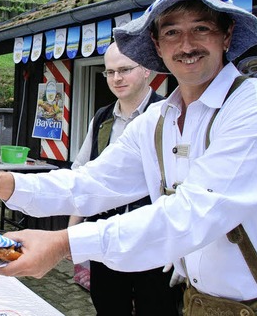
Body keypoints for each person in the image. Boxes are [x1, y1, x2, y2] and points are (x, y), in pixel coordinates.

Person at [0, 0, 257, 314]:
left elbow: (193, 213)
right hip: (199, 303)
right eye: (172, 32)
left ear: (226, 36)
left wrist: (65, 243)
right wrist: (5, 183)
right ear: (157, 45)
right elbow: (92, 182)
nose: (186, 44)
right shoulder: (156, 123)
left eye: (201, 28)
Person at [67, 42, 179, 315]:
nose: (116, 78)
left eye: (125, 70)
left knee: (157, 309)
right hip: (105, 240)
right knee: (108, 307)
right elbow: (82, 173)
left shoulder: (170, 114)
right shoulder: (102, 118)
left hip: (152, 240)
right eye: (110, 72)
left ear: (147, 72)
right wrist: (73, 232)